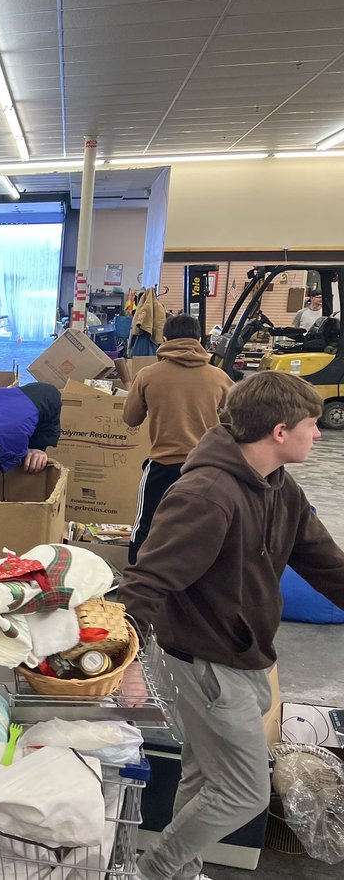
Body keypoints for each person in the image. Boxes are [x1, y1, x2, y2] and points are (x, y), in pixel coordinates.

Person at [122, 371, 344, 880]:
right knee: (244, 791)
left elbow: (325, 562)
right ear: (280, 431)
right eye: (312, 424)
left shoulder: (277, 488)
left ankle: (177, 872)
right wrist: (122, 660)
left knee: (202, 779)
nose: (320, 434)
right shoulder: (206, 495)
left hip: (243, 652)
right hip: (204, 659)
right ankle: (155, 872)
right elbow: (148, 579)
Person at [122, 314, 234, 564]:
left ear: (164, 338)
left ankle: (136, 577)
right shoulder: (219, 377)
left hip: (162, 463)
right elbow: (238, 419)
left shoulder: (148, 375)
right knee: (203, 527)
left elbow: (131, 419)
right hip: (207, 467)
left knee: (146, 524)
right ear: (200, 338)